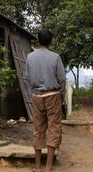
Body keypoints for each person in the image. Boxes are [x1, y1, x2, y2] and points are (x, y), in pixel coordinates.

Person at [25, 29, 66, 172]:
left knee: (38, 128)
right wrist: (61, 97)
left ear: (37, 40)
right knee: (54, 128)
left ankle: (37, 166)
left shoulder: (30, 57)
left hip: (37, 96)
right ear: (51, 41)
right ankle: (48, 167)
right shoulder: (55, 57)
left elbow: (27, 76)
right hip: (53, 94)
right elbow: (61, 79)